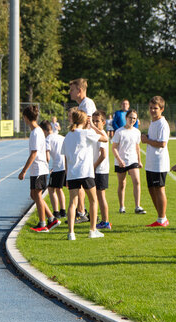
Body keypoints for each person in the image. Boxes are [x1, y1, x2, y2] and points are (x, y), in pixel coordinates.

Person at [61, 109, 108, 240]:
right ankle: (92, 230)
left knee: (72, 203)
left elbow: (65, 157)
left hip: (72, 173)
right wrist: (93, 126)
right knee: (93, 200)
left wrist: (66, 174)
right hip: (86, 172)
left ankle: (71, 233)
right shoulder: (86, 133)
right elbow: (105, 138)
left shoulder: (68, 136)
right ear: (84, 120)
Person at [19, 106, 59, 232]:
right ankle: (52, 219)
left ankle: (42, 224)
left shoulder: (36, 132)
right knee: (34, 195)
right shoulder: (37, 131)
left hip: (39, 169)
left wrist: (24, 170)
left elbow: (34, 153)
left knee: (37, 195)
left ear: (25, 118)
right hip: (38, 169)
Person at [68, 79, 95, 223]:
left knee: (85, 183)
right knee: (80, 182)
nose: (70, 93)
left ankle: (83, 213)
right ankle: (82, 212)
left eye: (72, 90)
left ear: (79, 90)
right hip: (83, 146)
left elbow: (87, 124)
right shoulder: (82, 105)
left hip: (88, 148)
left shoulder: (87, 104)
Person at [141, 96, 170, 227]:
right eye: (151, 108)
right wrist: (146, 138)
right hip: (151, 162)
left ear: (162, 109)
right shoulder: (153, 122)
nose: (153, 110)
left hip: (159, 162)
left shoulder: (163, 124)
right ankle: (160, 217)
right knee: (151, 188)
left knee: (159, 189)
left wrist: (147, 140)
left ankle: (162, 219)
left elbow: (162, 143)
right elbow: (154, 139)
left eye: (156, 108)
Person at [111, 110, 146, 215]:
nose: (132, 120)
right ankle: (122, 206)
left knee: (137, 182)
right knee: (122, 184)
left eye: (134, 118)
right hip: (121, 161)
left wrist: (139, 161)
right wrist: (119, 160)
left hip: (133, 160)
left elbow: (137, 147)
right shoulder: (119, 132)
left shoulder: (137, 132)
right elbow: (114, 148)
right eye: (130, 117)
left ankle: (137, 206)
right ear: (126, 118)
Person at [39, 120, 66, 220]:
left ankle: (56, 212)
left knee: (51, 189)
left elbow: (47, 157)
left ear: (43, 131)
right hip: (65, 165)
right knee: (59, 189)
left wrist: (46, 168)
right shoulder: (60, 137)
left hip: (58, 166)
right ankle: (63, 211)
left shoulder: (47, 140)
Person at [91, 111, 111, 229]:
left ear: (103, 122)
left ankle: (105, 221)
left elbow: (103, 155)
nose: (94, 123)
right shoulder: (97, 134)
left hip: (100, 170)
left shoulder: (102, 134)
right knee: (98, 196)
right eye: (93, 121)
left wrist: (93, 166)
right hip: (97, 169)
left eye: (97, 121)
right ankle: (103, 220)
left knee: (101, 196)